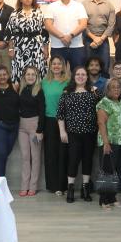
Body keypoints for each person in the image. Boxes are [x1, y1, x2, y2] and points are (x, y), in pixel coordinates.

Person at [57, 66, 101, 203]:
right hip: (73, 133)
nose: (80, 76)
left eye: (83, 74)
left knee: (88, 160)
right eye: (78, 74)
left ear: (87, 77)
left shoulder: (94, 92)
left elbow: (102, 111)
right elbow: (60, 114)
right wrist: (62, 131)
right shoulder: (67, 92)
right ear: (74, 76)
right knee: (73, 160)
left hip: (90, 133)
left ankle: (85, 188)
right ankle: (70, 188)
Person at [96, 78, 121, 209]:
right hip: (109, 142)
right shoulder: (104, 103)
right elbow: (101, 123)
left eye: (118, 87)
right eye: (113, 87)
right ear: (107, 89)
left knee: (117, 171)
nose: (116, 89)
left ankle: (112, 197)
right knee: (107, 172)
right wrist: (106, 142)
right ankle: (103, 200)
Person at [6, 0, 49, 82]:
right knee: (21, 70)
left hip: (36, 47)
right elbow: (10, 32)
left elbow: (44, 32)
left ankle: (37, 90)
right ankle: (21, 90)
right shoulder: (14, 14)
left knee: (37, 69)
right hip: (19, 47)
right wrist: (10, 49)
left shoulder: (39, 12)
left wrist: (46, 49)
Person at [41, 56, 70, 195]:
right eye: (54, 64)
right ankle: (53, 185)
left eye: (59, 64)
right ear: (50, 66)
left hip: (64, 121)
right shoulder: (44, 82)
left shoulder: (68, 82)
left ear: (63, 66)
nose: (56, 66)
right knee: (50, 154)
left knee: (63, 154)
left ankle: (62, 186)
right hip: (49, 121)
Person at [44, 0, 88, 72]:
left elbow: (83, 24)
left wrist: (70, 36)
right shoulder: (51, 7)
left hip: (76, 47)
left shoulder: (79, 6)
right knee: (58, 74)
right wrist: (62, 37)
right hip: (57, 47)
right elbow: (48, 25)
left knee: (78, 73)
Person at [17, 66, 45, 196]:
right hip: (22, 127)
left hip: (35, 127)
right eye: (28, 74)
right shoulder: (21, 90)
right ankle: (24, 186)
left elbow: (42, 111)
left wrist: (40, 130)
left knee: (35, 157)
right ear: (24, 76)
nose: (30, 76)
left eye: (33, 74)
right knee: (25, 157)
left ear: (37, 77)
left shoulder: (39, 91)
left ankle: (33, 186)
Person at [82, 0, 115, 69]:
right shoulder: (84, 4)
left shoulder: (109, 5)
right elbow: (82, 24)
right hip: (88, 40)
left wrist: (100, 39)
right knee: (88, 67)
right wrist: (94, 38)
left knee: (104, 67)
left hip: (103, 40)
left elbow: (111, 25)